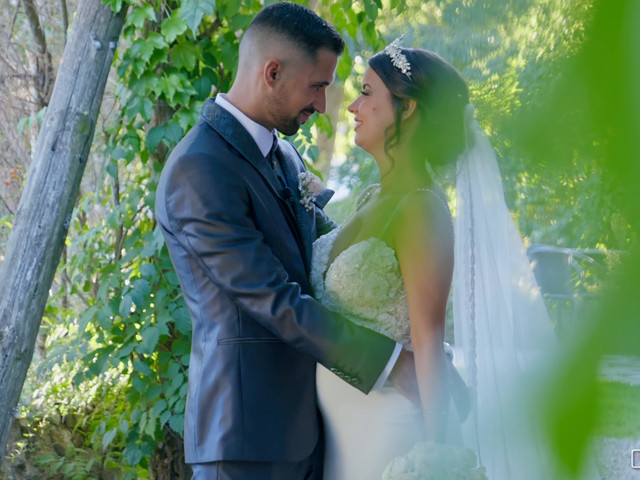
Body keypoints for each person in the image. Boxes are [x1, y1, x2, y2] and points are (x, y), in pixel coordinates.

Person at [154, 3, 417, 479]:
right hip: (244, 441)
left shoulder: (286, 155)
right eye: (317, 86)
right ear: (272, 72)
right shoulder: (199, 170)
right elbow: (275, 300)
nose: (322, 104)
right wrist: (394, 363)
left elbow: (327, 259)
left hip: (312, 431)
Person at [310, 38, 559, 479]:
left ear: (407, 109)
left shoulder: (422, 211)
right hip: (342, 431)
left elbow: (428, 343)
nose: (353, 108)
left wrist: (436, 455)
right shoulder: (372, 197)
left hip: (386, 432)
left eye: (367, 93)